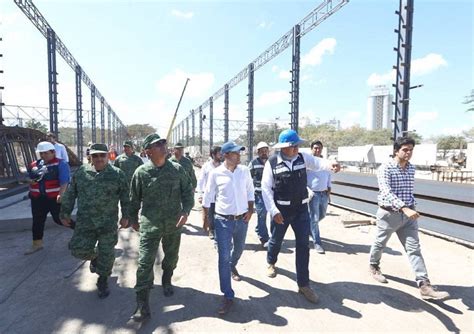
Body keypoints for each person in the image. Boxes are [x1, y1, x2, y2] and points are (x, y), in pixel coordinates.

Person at [261, 129, 340, 304]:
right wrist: (274, 211)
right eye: (293, 145)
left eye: (297, 145)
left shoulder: (302, 158)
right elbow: (266, 189)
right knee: (276, 240)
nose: (297, 148)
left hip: (301, 210)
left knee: (303, 246)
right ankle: (271, 261)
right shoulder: (272, 163)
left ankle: (304, 284)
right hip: (281, 212)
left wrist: (331, 164)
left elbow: (319, 163)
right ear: (284, 147)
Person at [368, 137, 450, 300]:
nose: (408, 153)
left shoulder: (411, 168)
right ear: (396, 151)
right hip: (389, 215)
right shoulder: (386, 168)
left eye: (411, 149)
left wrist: (411, 207)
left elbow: (408, 191)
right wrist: (403, 208)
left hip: (409, 216)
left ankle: (424, 285)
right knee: (380, 243)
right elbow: (385, 191)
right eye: (405, 149)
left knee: (414, 249)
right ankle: (374, 266)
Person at [129, 133, 194, 322]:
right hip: (150, 226)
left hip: (173, 224)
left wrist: (186, 211)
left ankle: (167, 279)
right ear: (148, 151)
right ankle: (142, 304)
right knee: (144, 264)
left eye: (163, 143)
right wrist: (132, 218)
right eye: (158, 145)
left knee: (172, 257)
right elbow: (134, 199)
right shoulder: (141, 173)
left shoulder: (177, 169)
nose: (163, 146)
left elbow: (187, 193)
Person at [60, 143, 130, 299]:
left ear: (108, 156)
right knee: (78, 249)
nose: (99, 159)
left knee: (107, 254)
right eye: (95, 156)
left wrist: (126, 216)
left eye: (102, 155)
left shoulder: (117, 174)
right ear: (90, 157)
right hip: (86, 222)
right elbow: (71, 194)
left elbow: (126, 197)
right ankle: (95, 257)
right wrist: (65, 213)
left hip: (108, 223)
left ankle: (103, 280)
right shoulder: (81, 173)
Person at [202, 141, 254, 315]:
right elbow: (208, 196)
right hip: (223, 221)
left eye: (239, 153)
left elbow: (250, 191)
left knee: (239, 249)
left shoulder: (244, 171)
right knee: (223, 257)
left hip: (242, 220)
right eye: (235, 153)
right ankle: (228, 295)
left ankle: (233, 266)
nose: (239, 156)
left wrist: (251, 210)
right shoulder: (216, 174)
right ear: (225, 155)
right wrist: (205, 219)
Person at [25, 141, 72, 255]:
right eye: (41, 153)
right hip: (37, 198)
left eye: (46, 153)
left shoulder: (61, 164)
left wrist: (61, 194)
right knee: (37, 220)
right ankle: (37, 243)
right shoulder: (34, 165)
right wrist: (29, 180)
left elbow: (64, 181)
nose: (43, 156)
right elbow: (27, 176)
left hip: (54, 198)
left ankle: (83, 232)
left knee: (60, 219)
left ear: (53, 152)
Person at [307, 140, 331, 254]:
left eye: (319, 148)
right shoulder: (308, 162)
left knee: (322, 215)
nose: (317, 150)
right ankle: (317, 243)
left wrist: (329, 187)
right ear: (311, 149)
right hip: (314, 194)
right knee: (315, 218)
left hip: (324, 193)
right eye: (315, 148)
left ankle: (309, 228)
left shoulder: (325, 162)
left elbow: (329, 174)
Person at [197, 146, 223, 239]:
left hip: (220, 195)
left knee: (219, 214)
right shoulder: (206, 166)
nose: (221, 155)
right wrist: (200, 194)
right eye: (219, 153)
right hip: (209, 194)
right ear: (213, 154)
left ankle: (218, 231)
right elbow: (200, 180)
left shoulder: (223, 165)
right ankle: (211, 230)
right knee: (210, 214)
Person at [248, 141, 270, 248]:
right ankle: (264, 238)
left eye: (266, 151)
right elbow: (248, 178)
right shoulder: (253, 163)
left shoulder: (272, 162)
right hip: (259, 193)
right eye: (262, 151)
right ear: (258, 152)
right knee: (262, 214)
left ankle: (259, 228)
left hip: (271, 193)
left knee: (269, 215)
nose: (264, 153)